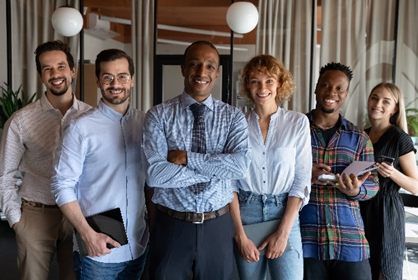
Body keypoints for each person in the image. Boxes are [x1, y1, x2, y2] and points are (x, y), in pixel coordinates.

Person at [142, 40, 251, 280]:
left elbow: (240, 166)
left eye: (209, 66)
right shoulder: (158, 115)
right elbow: (156, 174)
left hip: (217, 225)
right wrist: (218, 169)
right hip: (171, 225)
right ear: (183, 68)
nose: (202, 72)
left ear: (217, 73)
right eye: (194, 64)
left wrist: (187, 158)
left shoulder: (233, 117)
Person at [51, 49, 149, 279]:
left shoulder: (146, 123)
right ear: (98, 81)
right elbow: (61, 185)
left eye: (123, 76)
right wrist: (87, 235)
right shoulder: (80, 128)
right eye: (108, 77)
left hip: (140, 245)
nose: (116, 84)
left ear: (132, 80)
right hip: (99, 250)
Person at [0, 40, 91, 280]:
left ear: (72, 71)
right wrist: (16, 221)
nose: (55, 74)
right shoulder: (20, 121)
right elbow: (4, 175)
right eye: (47, 69)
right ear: (41, 76)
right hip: (36, 215)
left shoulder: (92, 117)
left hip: (79, 214)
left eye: (60, 66)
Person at [231, 54, 312, 280]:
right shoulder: (236, 122)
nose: (262, 87)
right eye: (255, 80)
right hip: (246, 213)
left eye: (269, 80)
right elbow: (229, 182)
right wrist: (240, 234)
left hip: (284, 212)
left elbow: (301, 180)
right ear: (247, 85)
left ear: (280, 83)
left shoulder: (297, 123)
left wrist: (284, 232)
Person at [299, 62, 379, 280]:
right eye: (325, 85)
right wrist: (307, 176)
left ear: (346, 94)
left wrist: (355, 190)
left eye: (339, 88)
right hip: (305, 240)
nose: (331, 93)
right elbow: (275, 175)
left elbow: (373, 184)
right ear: (316, 87)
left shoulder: (359, 138)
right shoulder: (294, 130)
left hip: (350, 242)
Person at [359, 83, 418, 280]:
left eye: (386, 101)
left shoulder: (400, 138)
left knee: (385, 272)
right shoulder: (361, 135)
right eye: (374, 97)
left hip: (386, 213)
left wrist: (392, 173)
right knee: (363, 270)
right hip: (359, 209)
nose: (378, 104)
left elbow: (416, 186)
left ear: (394, 108)